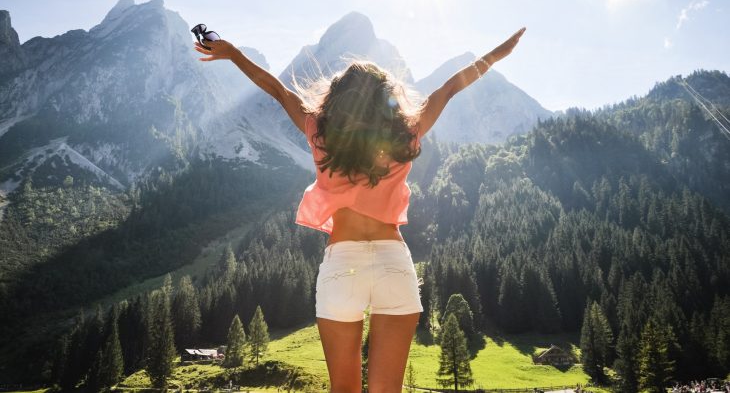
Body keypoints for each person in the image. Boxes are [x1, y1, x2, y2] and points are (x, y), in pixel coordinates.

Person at [194, 25, 525, 392]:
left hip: (342, 266)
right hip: (393, 263)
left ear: (338, 97)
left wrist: (233, 53)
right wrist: (495, 55)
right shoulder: (406, 132)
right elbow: (448, 88)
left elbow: (277, 90)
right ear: (386, 97)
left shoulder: (319, 131)